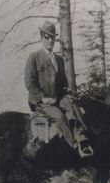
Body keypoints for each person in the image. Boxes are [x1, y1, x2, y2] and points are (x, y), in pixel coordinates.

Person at [25, 20, 93, 158]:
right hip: (41, 102)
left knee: (73, 106)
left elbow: (63, 84)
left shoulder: (59, 60)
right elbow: (29, 83)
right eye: (47, 37)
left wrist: (67, 92)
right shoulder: (34, 58)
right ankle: (74, 146)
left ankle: (83, 140)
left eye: (53, 37)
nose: (50, 41)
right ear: (41, 37)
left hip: (57, 99)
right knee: (59, 116)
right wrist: (41, 98)